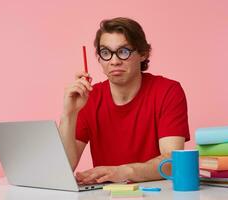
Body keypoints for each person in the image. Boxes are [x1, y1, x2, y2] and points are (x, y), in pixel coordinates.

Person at [59, 17, 190, 185]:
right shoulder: (89, 97)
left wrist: (120, 172)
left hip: (157, 193)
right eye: (106, 53)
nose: (114, 61)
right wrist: (69, 113)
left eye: (123, 51)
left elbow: (172, 163)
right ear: (99, 58)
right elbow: (64, 168)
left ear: (143, 54)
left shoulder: (168, 91)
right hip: (107, 195)